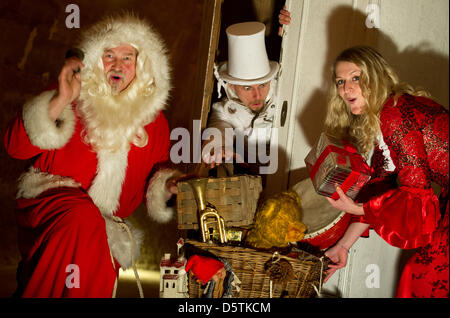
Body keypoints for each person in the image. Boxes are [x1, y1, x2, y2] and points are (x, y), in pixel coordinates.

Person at [3, 14, 181, 297]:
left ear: (141, 65)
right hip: (50, 205)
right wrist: (61, 99)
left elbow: (155, 177)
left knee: (93, 245)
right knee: (83, 219)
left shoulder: (155, 122)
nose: (117, 65)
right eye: (109, 55)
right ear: (97, 59)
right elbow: (15, 147)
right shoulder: (71, 93)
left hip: (101, 226)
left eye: (127, 57)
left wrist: (169, 184)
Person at [322, 46, 448, 298]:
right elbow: (382, 190)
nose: (346, 89)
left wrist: (358, 208)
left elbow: (417, 195)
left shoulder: (394, 114)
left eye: (355, 78)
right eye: (340, 81)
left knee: (423, 278)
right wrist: (343, 246)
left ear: (376, 76)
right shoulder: (384, 117)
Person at [202, 21, 280, 176]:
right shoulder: (225, 110)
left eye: (263, 85)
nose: (257, 95)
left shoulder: (285, 93)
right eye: (247, 88)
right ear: (231, 86)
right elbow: (219, 128)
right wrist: (218, 147)